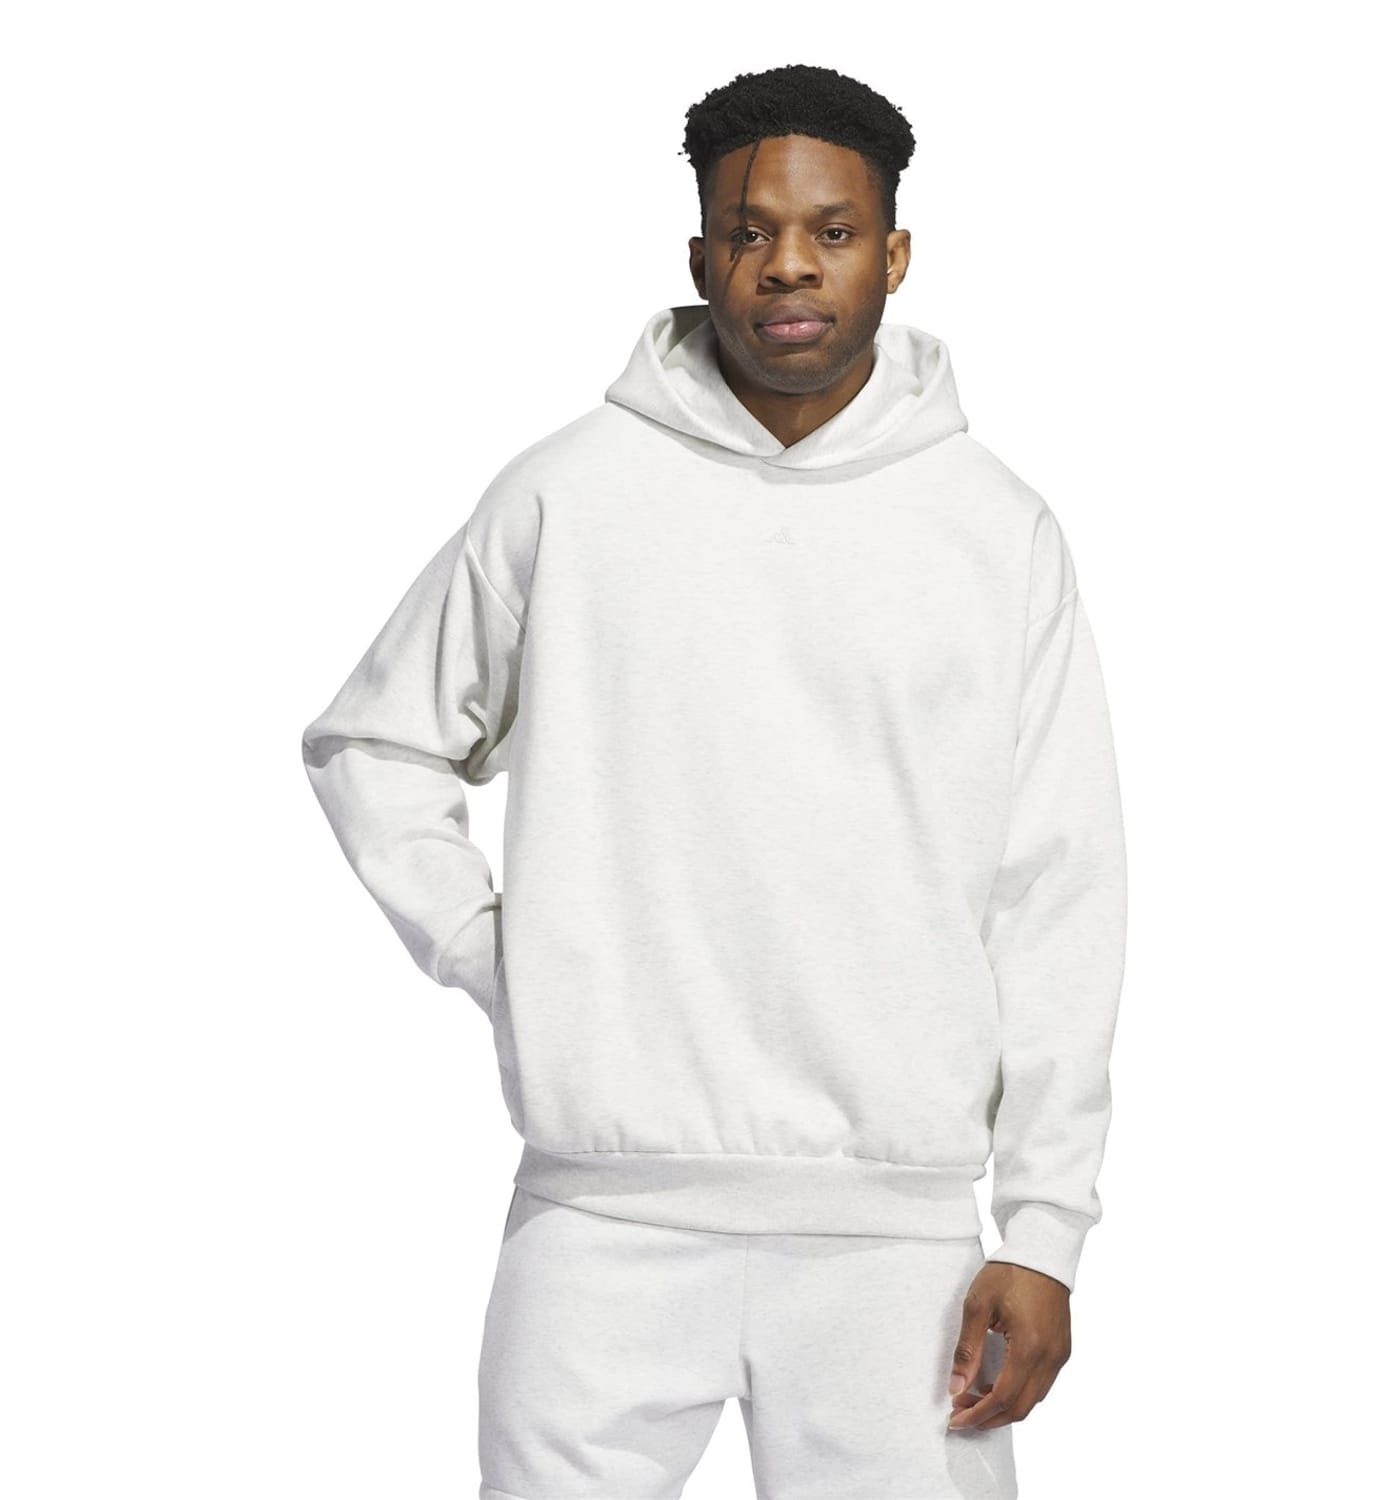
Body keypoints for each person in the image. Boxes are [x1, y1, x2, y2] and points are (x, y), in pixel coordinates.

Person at [301, 62, 1127, 1500]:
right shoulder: (567, 495)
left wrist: (1045, 1233)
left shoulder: (994, 532)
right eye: (752, 231)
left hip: (897, 1243)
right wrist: (504, 957)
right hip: (601, 1222)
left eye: (833, 230)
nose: (790, 263)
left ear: (895, 254)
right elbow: (375, 742)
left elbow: (1058, 887)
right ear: (700, 259)